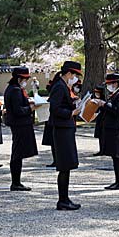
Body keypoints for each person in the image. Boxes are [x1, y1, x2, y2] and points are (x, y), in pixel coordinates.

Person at [48, 60, 83, 210]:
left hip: (66, 129)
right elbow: (54, 109)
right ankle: (62, 200)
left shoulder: (64, 87)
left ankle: (65, 198)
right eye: (74, 74)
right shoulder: (59, 87)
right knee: (64, 166)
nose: (75, 78)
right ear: (68, 73)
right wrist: (71, 112)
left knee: (67, 166)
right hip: (62, 130)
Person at [4, 66, 39, 191]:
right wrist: (31, 108)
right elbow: (18, 110)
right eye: (24, 79)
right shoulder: (15, 90)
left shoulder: (12, 89)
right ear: (19, 78)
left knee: (17, 153)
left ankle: (17, 182)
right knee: (17, 154)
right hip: (19, 124)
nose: (26, 81)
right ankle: (16, 182)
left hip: (17, 124)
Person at [94, 73, 119, 190]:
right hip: (111, 128)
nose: (108, 86)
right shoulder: (115, 94)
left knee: (117, 156)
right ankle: (118, 181)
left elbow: (117, 111)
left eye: (110, 84)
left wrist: (104, 104)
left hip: (116, 129)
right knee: (114, 156)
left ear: (116, 83)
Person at [41, 79, 57, 168]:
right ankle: (56, 160)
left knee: (54, 143)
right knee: (54, 143)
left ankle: (56, 160)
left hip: (51, 122)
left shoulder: (53, 96)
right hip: (50, 121)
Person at [91, 85, 105, 156]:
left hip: (104, 120)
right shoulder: (95, 100)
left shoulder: (104, 101)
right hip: (99, 120)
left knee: (103, 136)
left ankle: (103, 150)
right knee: (100, 135)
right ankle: (101, 149)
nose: (96, 94)